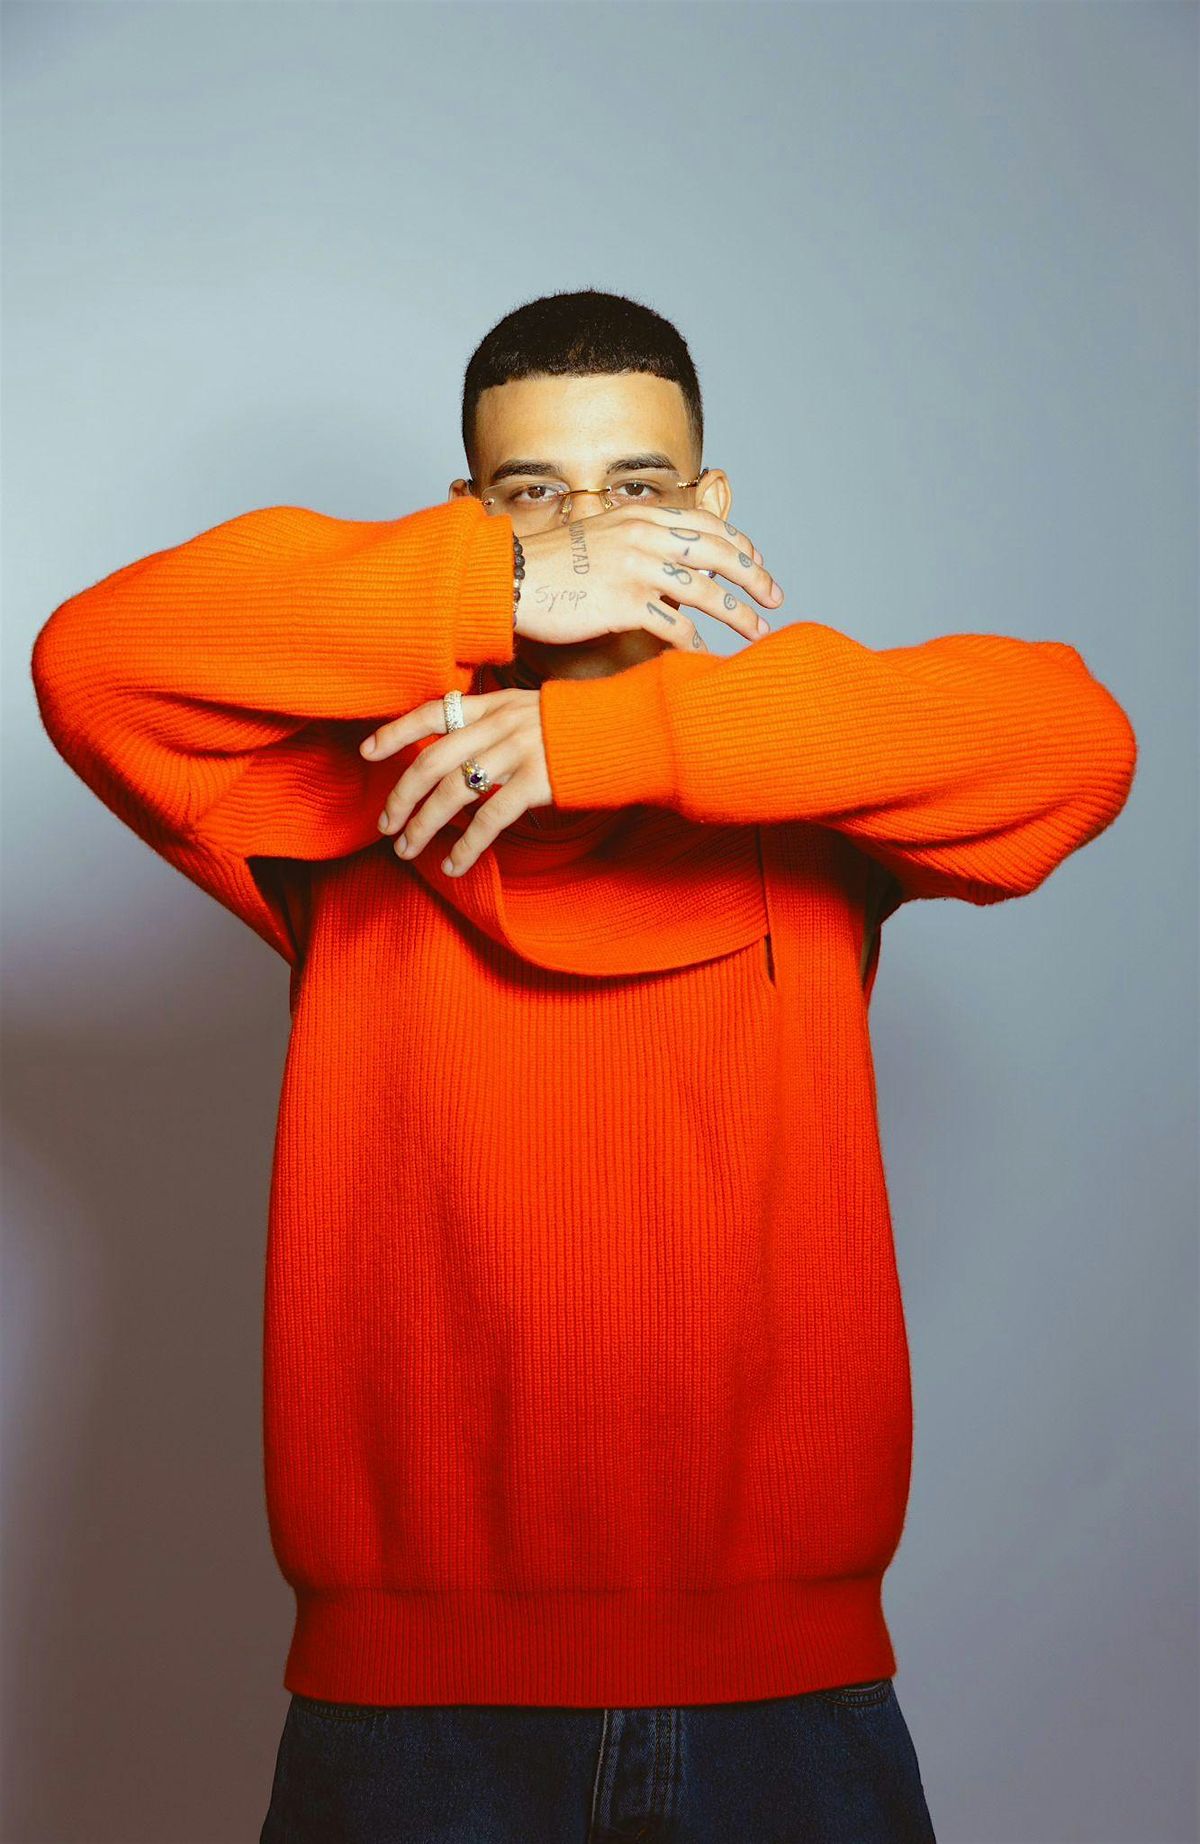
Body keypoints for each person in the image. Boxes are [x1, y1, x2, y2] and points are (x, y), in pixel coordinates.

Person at [30, 289, 1138, 1843]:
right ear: (470, 517)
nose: (597, 533)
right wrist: (496, 594)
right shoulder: (349, 793)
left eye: (639, 485)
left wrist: (606, 746)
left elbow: (1078, 741)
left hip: (785, 1689)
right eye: (535, 494)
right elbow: (92, 661)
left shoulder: (816, 782)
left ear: (713, 505)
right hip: (408, 1707)